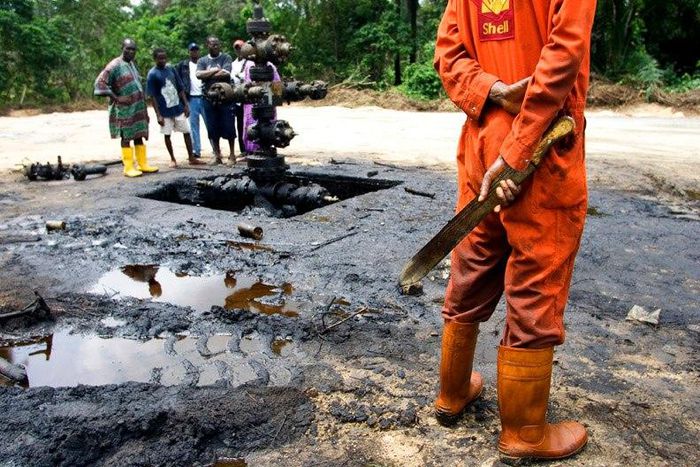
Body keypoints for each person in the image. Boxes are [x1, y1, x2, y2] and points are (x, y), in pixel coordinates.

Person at [432, 0, 596, 463]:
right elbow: (564, 53)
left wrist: (494, 90)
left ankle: (453, 392)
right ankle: (525, 432)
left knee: (473, 263)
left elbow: (448, 53)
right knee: (535, 278)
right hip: (543, 147)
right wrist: (522, 146)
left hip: (482, 143)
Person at [94, 38, 156, 177]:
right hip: (124, 109)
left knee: (139, 135)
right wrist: (116, 97)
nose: (130, 51)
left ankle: (142, 164)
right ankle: (128, 167)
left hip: (137, 107)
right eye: (128, 48)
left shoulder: (131, 64)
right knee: (126, 136)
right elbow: (99, 84)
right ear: (122, 48)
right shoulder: (114, 65)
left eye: (133, 49)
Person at [146, 48, 204, 168]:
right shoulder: (152, 74)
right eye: (159, 58)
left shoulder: (171, 69)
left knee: (186, 131)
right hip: (164, 110)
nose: (162, 60)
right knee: (167, 135)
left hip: (178, 107)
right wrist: (158, 115)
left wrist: (186, 105)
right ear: (155, 59)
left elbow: (180, 88)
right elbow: (152, 96)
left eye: (164, 58)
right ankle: (172, 158)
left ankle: (191, 157)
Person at [196, 36, 237, 165]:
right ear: (207, 45)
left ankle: (232, 155)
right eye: (212, 44)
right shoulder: (202, 60)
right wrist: (215, 70)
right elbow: (198, 75)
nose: (215, 46)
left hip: (225, 97)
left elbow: (226, 73)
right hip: (209, 98)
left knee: (229, 126)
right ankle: (217, 154)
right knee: (212, 127)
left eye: (217, 44)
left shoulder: (226, 57)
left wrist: (207, 74)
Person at [175, 43, 207, 159]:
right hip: (191, 98)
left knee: (210, 125)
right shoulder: (183, 65)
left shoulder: (204, 63)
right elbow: (178, 83)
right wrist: (182, 102)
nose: (194, 52)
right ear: (188, 52)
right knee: (193, 127)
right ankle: (196, 150)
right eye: (192, 50)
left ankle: (216, 150)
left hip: (205, 97)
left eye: (196, 50)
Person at [231, 39, 247, 155]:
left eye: (240, 47)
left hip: (248, 96)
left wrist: (239, 76)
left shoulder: (249, 61)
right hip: (237, 97)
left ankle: (250, 147)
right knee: (240, 123)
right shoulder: (233, 64)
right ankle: (243, 149)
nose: (239, 50)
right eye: (237, 48)